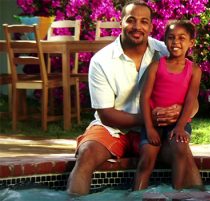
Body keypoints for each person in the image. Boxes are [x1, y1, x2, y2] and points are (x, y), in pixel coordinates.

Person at [66, 1, 200, 195]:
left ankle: (201, 197)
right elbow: (106, 115)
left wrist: (180, 113)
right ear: (120, 23)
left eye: (144, 21)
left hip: (158, 130)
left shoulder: (166, 52)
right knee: (86, 154)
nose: (137, 27)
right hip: (114, 128)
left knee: (184, 154)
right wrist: (148, 119)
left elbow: (193, 102)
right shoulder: (101, 61)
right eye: (131, 20)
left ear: (151, 27)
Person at [134, 20, 203, 190]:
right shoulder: (156, 66)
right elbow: (144, 97)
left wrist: (180, 126)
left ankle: (176, 192)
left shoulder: (194, 70)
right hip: (154, 124)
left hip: (179, 123)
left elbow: (190, 100)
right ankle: (136, 194)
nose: (176, 42)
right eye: (171, 38)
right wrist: (149, 128)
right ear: (165, 41)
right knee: (147, 158)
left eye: (182, 38)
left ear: (191, 43)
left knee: (180, 149)